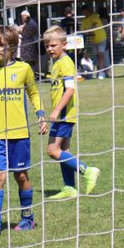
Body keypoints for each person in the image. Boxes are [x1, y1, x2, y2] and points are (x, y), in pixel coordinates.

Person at [0, 25, 44, 238]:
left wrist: (40, 114)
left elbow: (33, 93)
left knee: (21, 176)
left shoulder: (24, 69)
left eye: (2, 45)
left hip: (19, 135)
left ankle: (27, 218)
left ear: (13, 48)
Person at [42, 27, 100, 199]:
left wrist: (57, 110)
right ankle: (70, 188)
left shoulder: (66, 63)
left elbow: (70, 90)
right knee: (64, 150)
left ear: (64, 45)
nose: (50, 49)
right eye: (47, 46)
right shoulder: (56, 62)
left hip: (64, 115)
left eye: (53, 45)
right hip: (63, 115)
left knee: (52, 150)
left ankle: (87, 170)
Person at [81, 6, 107, 78]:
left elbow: (94, 25)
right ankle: (100, 71)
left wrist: (89, 30)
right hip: (93, 40)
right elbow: (83, 31)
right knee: (97, 56)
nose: (85, 14)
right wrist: (88, 32)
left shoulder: (95, 16)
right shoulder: (84, 21)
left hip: (101, 38)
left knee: (100, 54)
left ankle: (102, 73)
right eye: (83, 13)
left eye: (86, 12)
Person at [18, 9, 40, 74]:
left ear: (25, 16)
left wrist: (20, 30)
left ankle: (32, 77)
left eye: (22, 17)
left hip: (29, 47)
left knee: (30, 64)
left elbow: (27, 34)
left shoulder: (30, 23)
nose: (22, 18)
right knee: (29, 64)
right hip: (28, 47)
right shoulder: (30, 22)